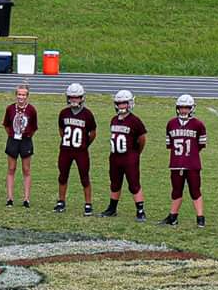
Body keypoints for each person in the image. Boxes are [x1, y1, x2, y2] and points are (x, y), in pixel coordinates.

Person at [99, 90, 148, 222]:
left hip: (129, 157)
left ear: (130, 103)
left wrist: (136, 153)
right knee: (115, 183)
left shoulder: (135, 121)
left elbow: (142, 139)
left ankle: (140, 210)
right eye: (119, 104)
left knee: (134, 184)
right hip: (115, 156)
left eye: (124, 103)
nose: (121, 106)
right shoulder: (114, 119)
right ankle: (112, 208)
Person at [162, 94, 208, 227]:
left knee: (195, 190)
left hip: (192, 164)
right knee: (176, 190)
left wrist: (190, 155)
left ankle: (200, 218)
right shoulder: (171, 124)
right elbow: (170, 145)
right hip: (176, 163)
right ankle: (173, 216)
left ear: (192, 108)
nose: (183, 111)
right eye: (181, 108)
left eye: (186, 108)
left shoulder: (198, 124)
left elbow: (200, 145)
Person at [54, 83, 97, 214]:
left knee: (84, 177)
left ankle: (88, 203)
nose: (74, 100)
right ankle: (61, 201)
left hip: (81, 151)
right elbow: (61, 130)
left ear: (82, 98)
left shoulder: (87, 114)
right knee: (62, 176)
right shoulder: (64, 113)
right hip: (66, 150)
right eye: (72, 97)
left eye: (77, 97)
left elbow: (93, 132)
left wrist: (84, 144)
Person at [2, 85, 39, 208]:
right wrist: (13, 134)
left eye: (23, 95)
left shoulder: (31, 110)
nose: (21, 97)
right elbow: (6, 125)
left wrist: (26, 136)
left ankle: (26, 199)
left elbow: (34, 127)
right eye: (19, 94)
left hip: (26, 141)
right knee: (11, 168)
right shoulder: (10, 109)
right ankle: (9, 198)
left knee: (26, 169)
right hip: (13, 140)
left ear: (27, 96)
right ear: (16, 95)